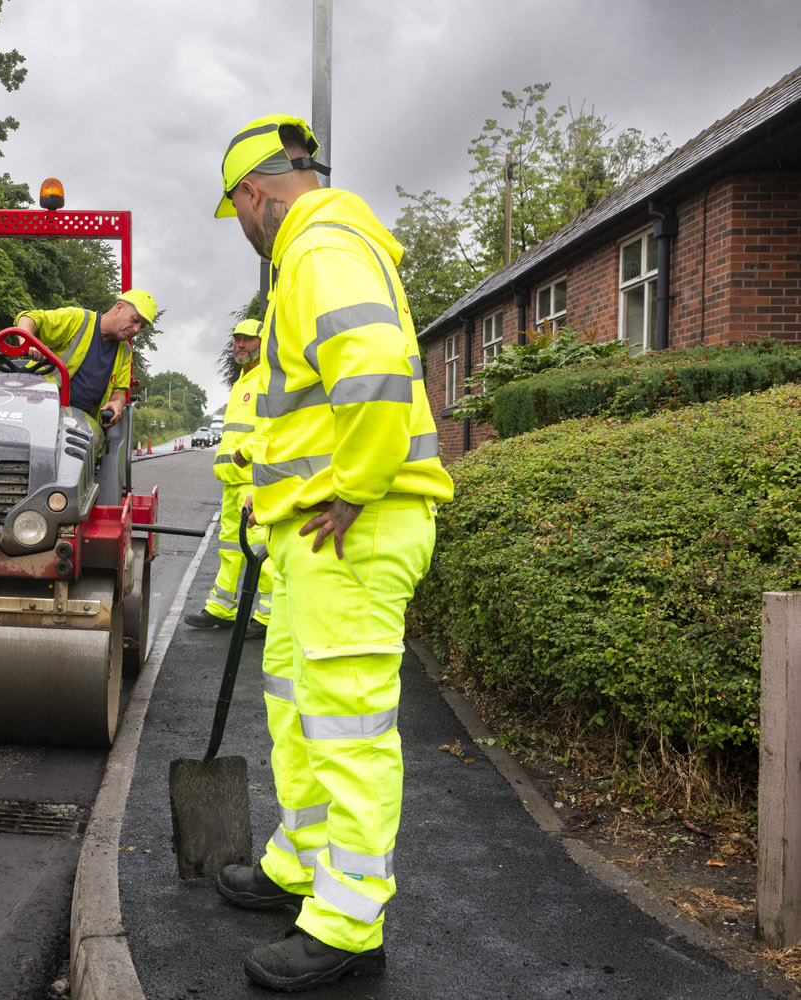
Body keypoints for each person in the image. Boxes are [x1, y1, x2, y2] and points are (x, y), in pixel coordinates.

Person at [211, 113, 455, 992]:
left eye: (236, 212)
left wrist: (354, 481)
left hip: (352, 525)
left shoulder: (317, 249)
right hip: (319, 534)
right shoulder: (328, 245)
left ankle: (349, 923)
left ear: (253, 195)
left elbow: (382, 366)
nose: (241, 229)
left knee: (347, 725)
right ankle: (304, 863)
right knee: (301, 705)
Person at [184, 318, 275, 639]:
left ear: (263, 343)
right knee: (230, 548)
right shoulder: (242, 382)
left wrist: (249, 450)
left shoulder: (268, 378)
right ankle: (221, 609)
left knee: (260, 549)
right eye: (237, 339)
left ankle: (267, 617)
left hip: (255, 478)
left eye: (248, 340)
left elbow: (273, 425)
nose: (240, 345)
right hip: (233, 480)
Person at [13, 289, 156, 427]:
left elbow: (119, 390)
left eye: (141, 327)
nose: (136, 329)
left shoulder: (125, 352)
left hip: (80, 419)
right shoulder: (77, 320)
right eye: (135, 320)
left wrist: (117, 402)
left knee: (92, 439)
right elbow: (29, 318)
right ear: (119, 308)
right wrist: (28, 341)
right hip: (39, 401)